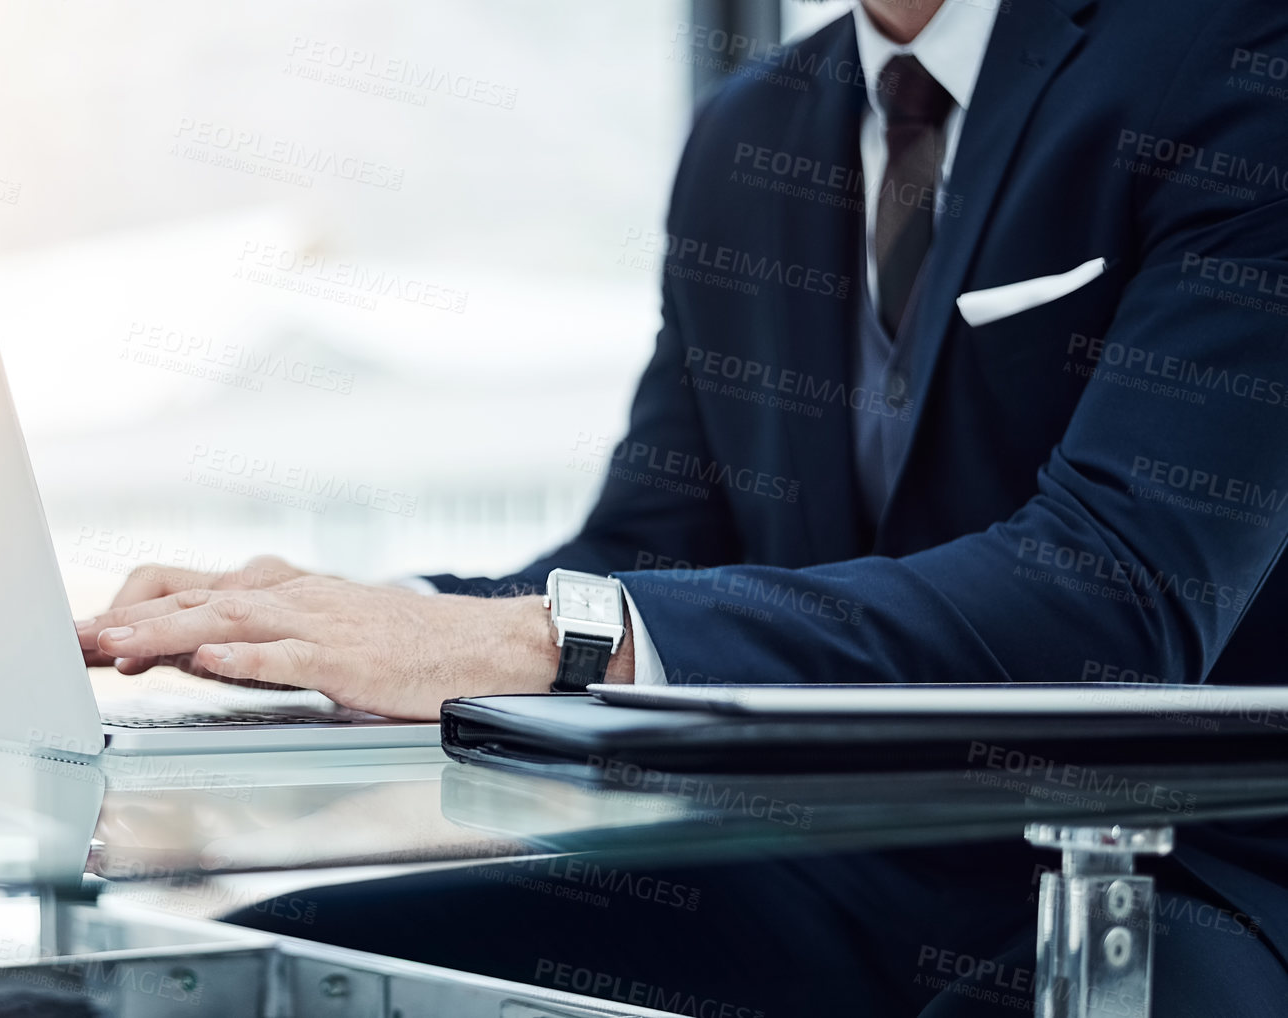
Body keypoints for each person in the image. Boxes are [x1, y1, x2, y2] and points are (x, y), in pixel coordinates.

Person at [80, 0, 1288, 1010]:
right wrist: (343, 624)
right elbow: (647, 548)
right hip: (832, 852)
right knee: (278, 964)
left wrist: (534, 641)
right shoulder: (751, 129)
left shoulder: (1234, 61)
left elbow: (1116, 602)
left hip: (1190, 866)